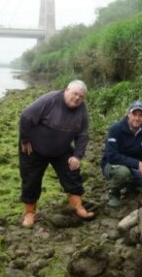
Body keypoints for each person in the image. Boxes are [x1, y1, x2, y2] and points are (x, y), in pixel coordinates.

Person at [18, 80, 95, 227]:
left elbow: (83, 134)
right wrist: (25, 139)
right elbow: (26, 116)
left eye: (81, 96)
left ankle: (77, 206)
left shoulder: (81, 109)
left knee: (72, 172)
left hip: (61, 148)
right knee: (30, 179)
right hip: (34, 147)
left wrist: (77, 155)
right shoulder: (50, 100)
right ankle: (29, 213)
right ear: (66, 90)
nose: (77, 98)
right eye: (75, 94)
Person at [100, 100, 142, 207]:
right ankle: (113, 193)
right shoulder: (115, 129)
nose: (137, 118)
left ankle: (131, 186)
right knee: (123, 173)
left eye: (140, 115)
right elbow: (112, 156)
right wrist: (138, 164)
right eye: (134, 114)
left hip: (135, 167)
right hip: (112, 165)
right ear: (128, 114)